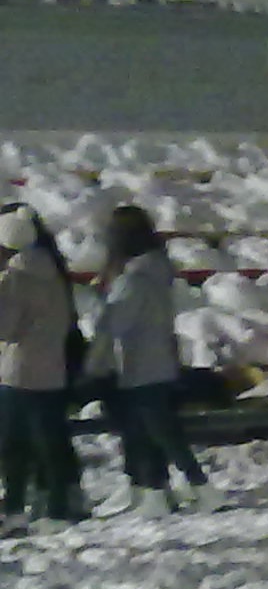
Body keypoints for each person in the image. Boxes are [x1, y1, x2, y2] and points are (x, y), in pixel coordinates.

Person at [87, 204, 221, 517]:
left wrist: (100, 301)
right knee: (147, 433)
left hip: (139, 366)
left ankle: (201, 487)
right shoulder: (158, 271)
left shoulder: (132, 281)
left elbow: (113, 324)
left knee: (162, 433)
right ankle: (155, 491)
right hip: (160, 361)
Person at [0, 207, 87, 531]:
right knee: (50, 443)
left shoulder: (15, 278)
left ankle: (14, 510)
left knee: (13, 446)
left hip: (18, 371)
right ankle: (58, 508)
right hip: (51, 369)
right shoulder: (53, 272)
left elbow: (6, 328)